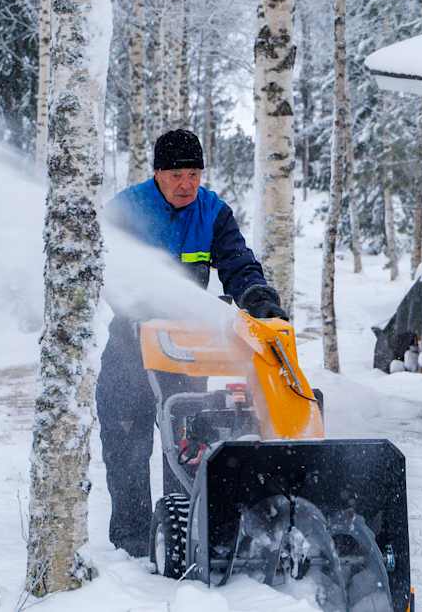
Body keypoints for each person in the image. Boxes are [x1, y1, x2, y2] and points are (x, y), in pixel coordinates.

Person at [97, 129, 285, 558]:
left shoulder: (212, 211)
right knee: (126, 436)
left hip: (184, 346)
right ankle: (132, 543)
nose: (187, 185)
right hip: (130, 341)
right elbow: (105, 268)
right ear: (158, 174)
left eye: (195, 174)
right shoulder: (127, 210)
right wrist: (134, 303)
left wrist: (257, 296)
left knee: (187, 437)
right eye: (178, 175)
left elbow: (237, 261)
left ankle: (185, 531)